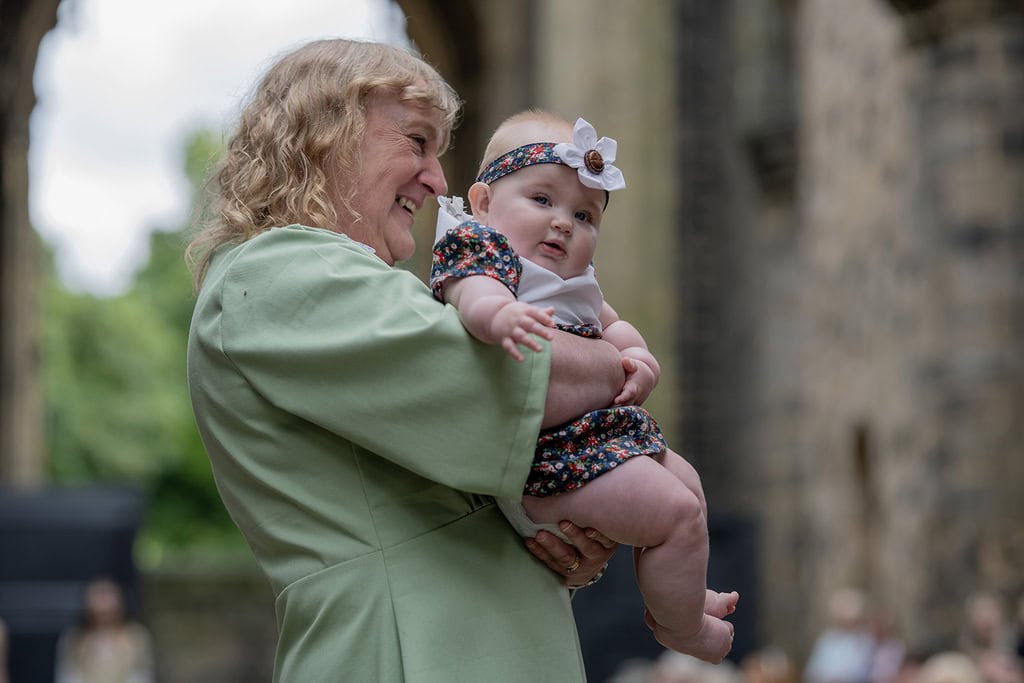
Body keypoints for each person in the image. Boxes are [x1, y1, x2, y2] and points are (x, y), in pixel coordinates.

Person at [185, 39, 623, 682]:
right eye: (417, 142)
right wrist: (615, 362)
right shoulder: (277, 271)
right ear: (324, 136)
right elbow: (527, 381)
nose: (439, 181)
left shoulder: (334, 281)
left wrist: (564, 532)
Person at [430, 110, 738, 663]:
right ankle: (682, 630)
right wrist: (498, 317)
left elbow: (614, 326)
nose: (564, 223)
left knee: (689, 486)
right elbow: (470, 294)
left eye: (584, 214)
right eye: (542, 200)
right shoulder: (482, 250)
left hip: (596, 442)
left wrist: (640, 358)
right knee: (675, 512)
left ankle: (684, 592)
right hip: (547, 460)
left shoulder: (574, 282)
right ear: (482, 203)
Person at [54, 578, 154, 683]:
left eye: (107, 595)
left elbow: (142, 676)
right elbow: (68, 677)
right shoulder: (74, 639)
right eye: (99, 594)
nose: (103, 601)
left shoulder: (136, 636)